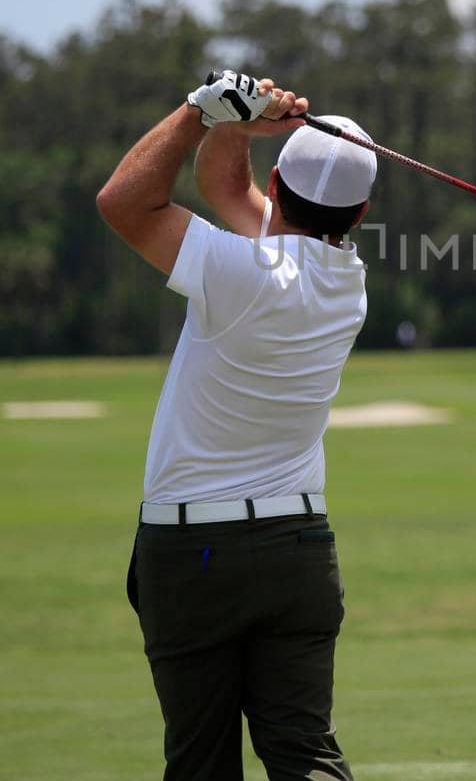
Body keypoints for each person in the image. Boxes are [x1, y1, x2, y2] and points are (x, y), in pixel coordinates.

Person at [95, 69, 377, 781]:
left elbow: (125, 202)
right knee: (306, 753)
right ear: (362, 212)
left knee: (201, 765)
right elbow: (229, 193)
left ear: (277, 186)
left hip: (193, 552)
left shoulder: (237, 272)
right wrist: (235, 126)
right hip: (299, 549)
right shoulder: (347, 282)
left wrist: (200, 110)